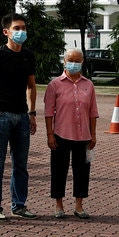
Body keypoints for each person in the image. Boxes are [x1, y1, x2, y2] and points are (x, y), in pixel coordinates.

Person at [0, 13, 39, 220]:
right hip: (0, 115)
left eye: (23, 28)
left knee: (21, 165)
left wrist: (32, 113)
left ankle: (19, 205)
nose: (21, 32)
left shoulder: (28, 56)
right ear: (6, 31)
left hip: (21, 116)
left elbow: (31, 86)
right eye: (16, 28)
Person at [46, 49, 99, 219]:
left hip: (83, 136)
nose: (74, 63)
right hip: (61, 134)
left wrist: (93, 134)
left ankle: (79, 205)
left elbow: (92, 112)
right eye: (70, 60)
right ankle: (58, 205)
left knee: (82, 171)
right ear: (64, 61)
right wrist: (50, 135)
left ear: (82, 62)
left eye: (77, 60)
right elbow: (48, 113)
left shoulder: (88, 85)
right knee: (58, 170)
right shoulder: (55, 85)